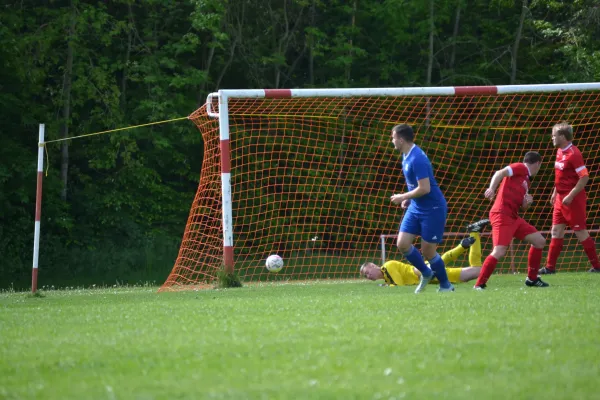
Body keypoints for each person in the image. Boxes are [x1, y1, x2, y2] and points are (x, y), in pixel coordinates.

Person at [389, 124, 451, 293]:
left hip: (433, 208)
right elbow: (415, 186)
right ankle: (426, 272)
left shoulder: (418, 158)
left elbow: (425, 188)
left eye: (393, 137)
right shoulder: (405, 154)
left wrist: (403, 197)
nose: (392, 140)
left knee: (428, 251)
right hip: (416, 206)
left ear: (401, 139)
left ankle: (446, 285)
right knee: (402, 244)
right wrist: (410, 199)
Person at [474, 151, 549, 289]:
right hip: (502, 214)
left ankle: (532, 279)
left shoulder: (526, 180)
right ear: (538, 163)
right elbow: (499, 173)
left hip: (513, 217)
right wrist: (491, 188)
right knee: (499, 251)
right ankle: (479, 285)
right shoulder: (521, 167)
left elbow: (523, 207)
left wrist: (527, 203)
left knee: (539, 241)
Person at [539, 122, 600, 274]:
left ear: (562, 136)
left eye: (554, 135)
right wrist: (555, 192)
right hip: (560, 198)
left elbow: (584, 177)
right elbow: (561, 175)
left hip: (573, 200)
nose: (552, 138)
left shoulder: (574, 154)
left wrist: (571, 195)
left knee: (581, 232)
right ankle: (550, 268)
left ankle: (597, 267)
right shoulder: (559, 151)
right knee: (556, 231)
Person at [360, 219, 490, 286]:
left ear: (372, 265)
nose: (368, 276)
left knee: (478, 270)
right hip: (433, 277)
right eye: (366, 276)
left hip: (428, 273)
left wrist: (386, 286)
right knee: (478, 270)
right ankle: (474, 232)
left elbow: (397, 284)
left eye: (367, 273)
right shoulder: (386, 277)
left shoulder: (387, 267)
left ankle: (465, 242)